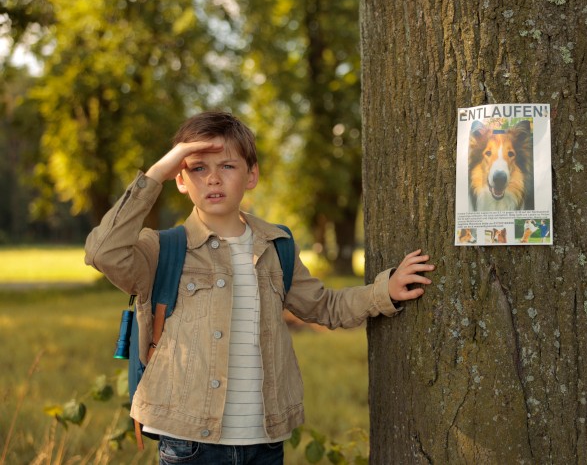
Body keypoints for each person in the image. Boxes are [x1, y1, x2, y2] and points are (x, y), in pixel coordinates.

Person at [84, 111, 434, 465]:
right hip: (189, 443)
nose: (213, 179)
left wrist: (383, 291)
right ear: (181, 179)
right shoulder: (161, 250)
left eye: (227, 166)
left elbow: (324, 306)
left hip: (264, 441)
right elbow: (102, 251)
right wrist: (157, 172)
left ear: (251, 175)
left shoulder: (275, 245)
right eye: (198, 168)